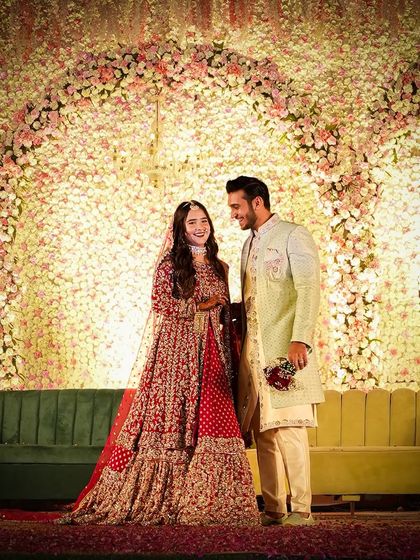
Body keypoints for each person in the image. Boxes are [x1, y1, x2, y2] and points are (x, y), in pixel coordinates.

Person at [65, 200, 259, 526]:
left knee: (213, 421)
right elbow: (161, 305)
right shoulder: (171, 264)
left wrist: (232, 310)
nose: (200, 227)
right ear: (181, 229)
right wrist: (202, 304)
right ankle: (174, 497)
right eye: (192, 223)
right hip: (176, 356)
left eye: (203, 221)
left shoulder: (219, 265)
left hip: (212, 355)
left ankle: (212, 504)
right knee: (178, 423)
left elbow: (224, 312)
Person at [226, 176, 324, 526]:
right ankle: (273, 508)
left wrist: (301, 338)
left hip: (285, 347)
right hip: (254, 351)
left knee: (289, 427)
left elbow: (308, 288)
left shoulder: (293, 235)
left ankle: (302, 509)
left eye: (237, 206)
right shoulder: (247, 245)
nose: (233, 214)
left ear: (257, 202)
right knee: (263, 430)